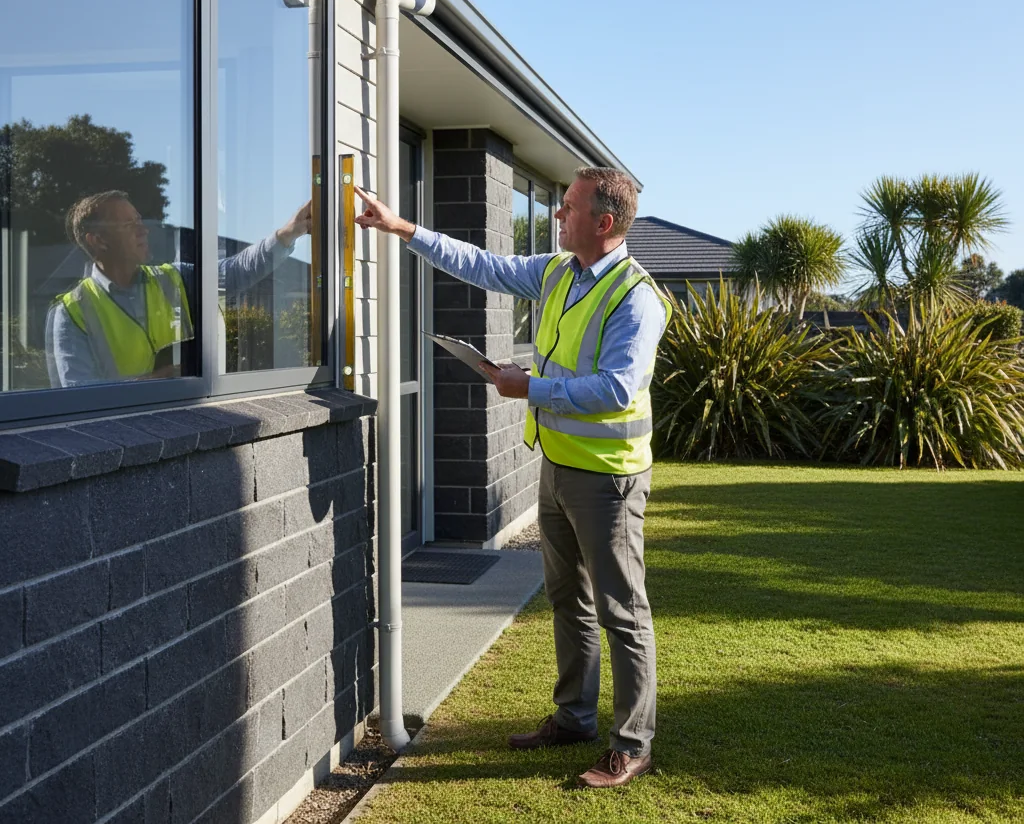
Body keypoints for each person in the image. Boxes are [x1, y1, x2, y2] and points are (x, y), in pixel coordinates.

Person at [355, 166, 672, 789]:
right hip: (557, 465)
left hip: (608, 480)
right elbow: (485, 266)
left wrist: (530, 388)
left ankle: (633, 745)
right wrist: (402, 227)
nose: (558, 214)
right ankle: (575, 719)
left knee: (622, 611)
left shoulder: (636, 297)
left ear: (604, 222)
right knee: (568, 599)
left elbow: (616, 389)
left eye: (569, 206)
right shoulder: (558, 272)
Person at [46, 190, 311, 387]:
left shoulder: (174, 278)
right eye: (129, 225)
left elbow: (237, 270)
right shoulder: (72, 312)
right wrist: (153, 382)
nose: (143, 230)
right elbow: (79, 393)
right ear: (98, 241)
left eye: (139, 220)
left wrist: (288, 233)